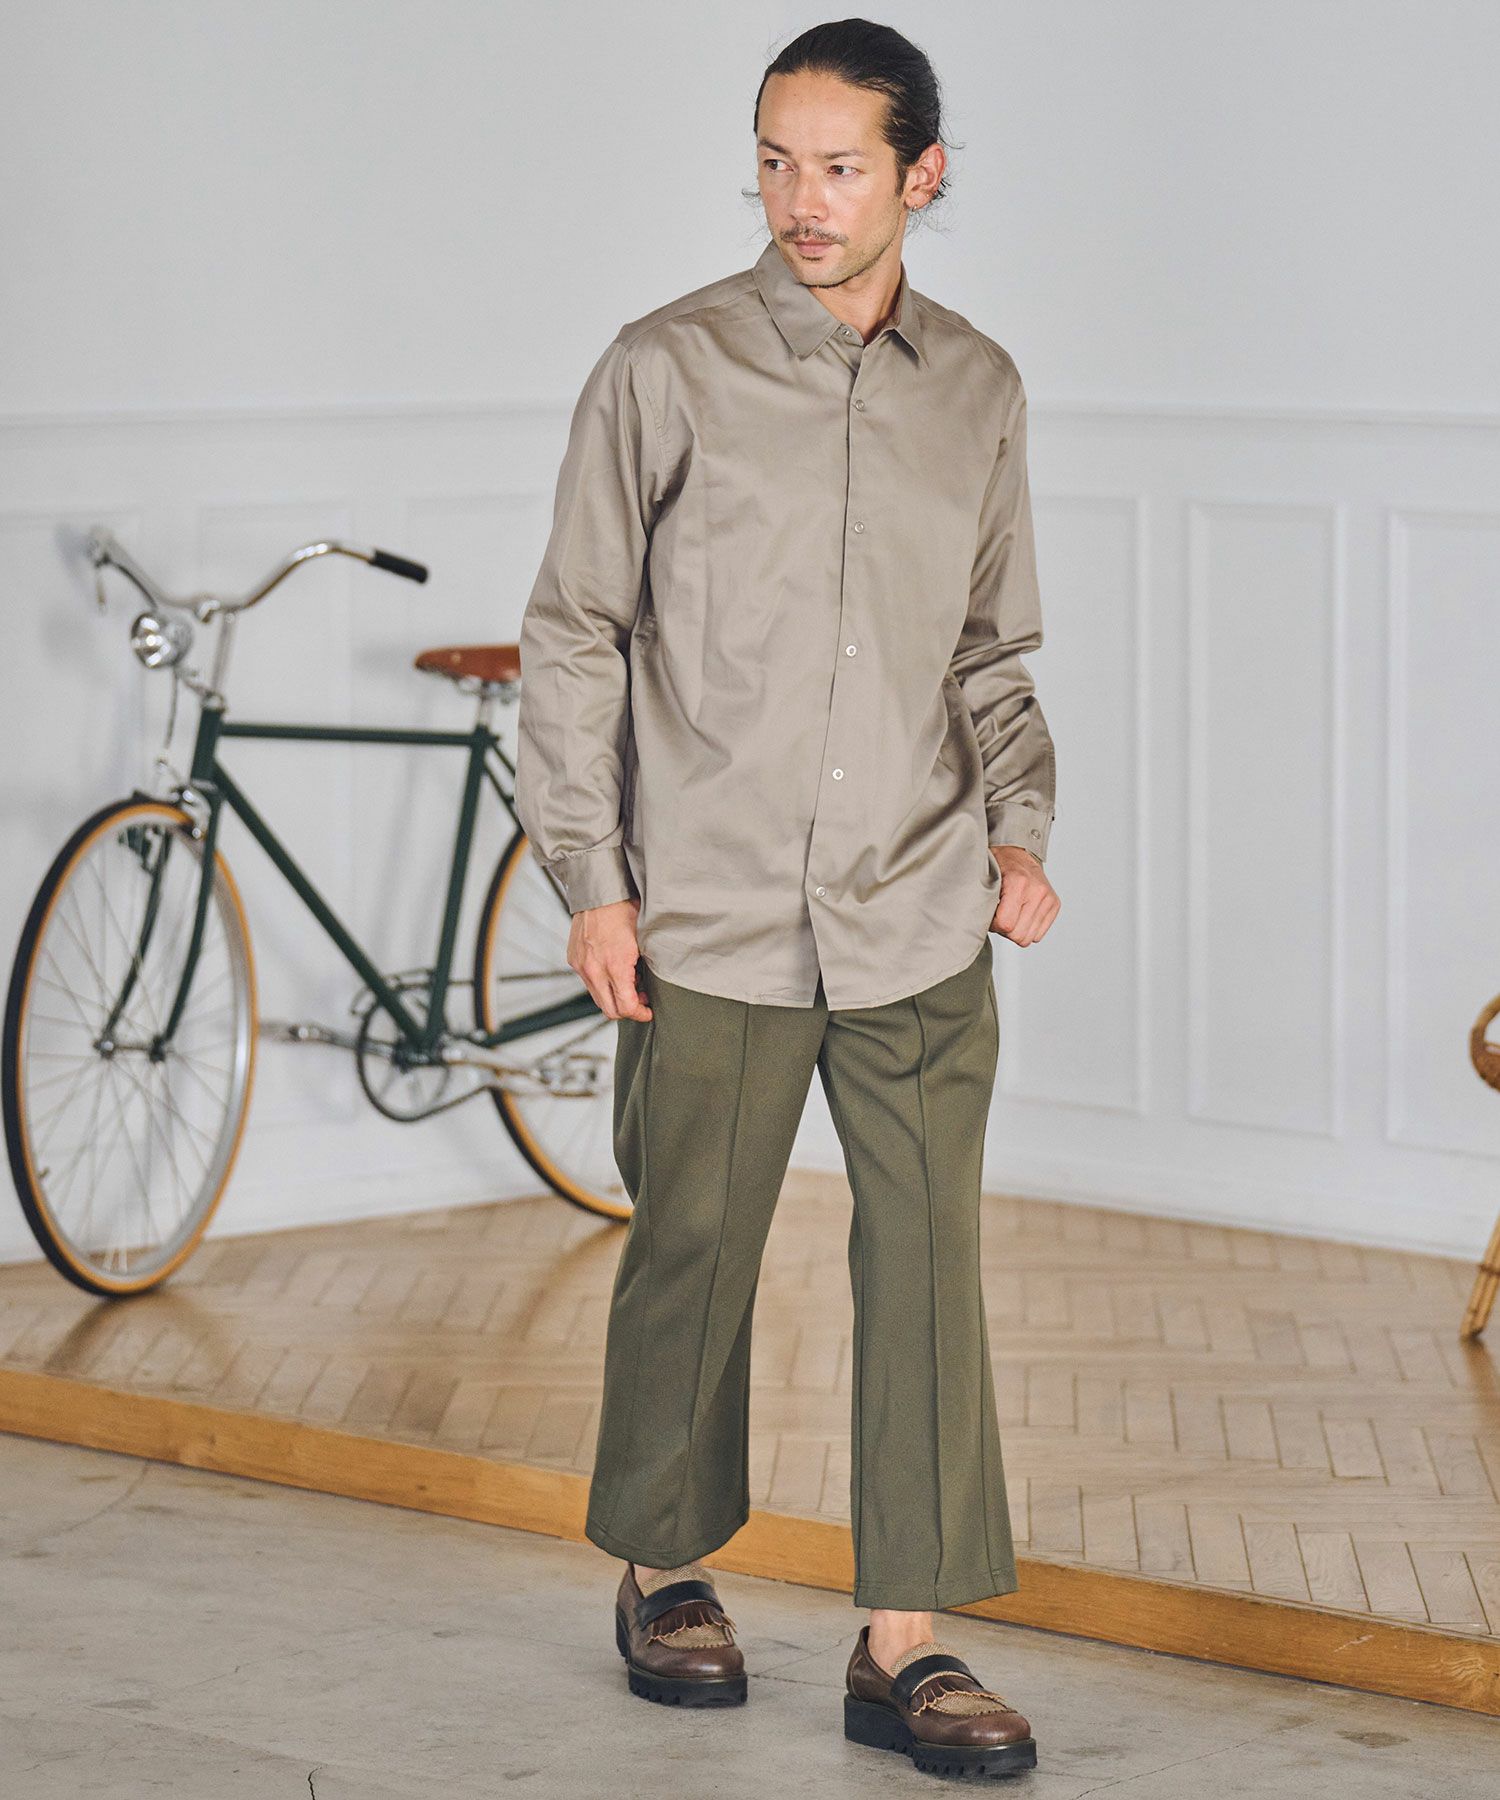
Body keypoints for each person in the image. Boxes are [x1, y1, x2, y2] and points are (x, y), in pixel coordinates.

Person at [515, 16, 1059, 1781]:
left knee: (928, 1268)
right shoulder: (663, 366)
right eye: (774, 161)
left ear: (923, 174)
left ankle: (904, 1645)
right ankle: (665, 1572)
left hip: (917, 902)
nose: (800, 200)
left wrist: (1022, 831)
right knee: (694, 1244)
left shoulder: (978, 389)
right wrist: (594, 881)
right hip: (713, 907)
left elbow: (990, 651)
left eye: (838, 166)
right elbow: (577, 633)